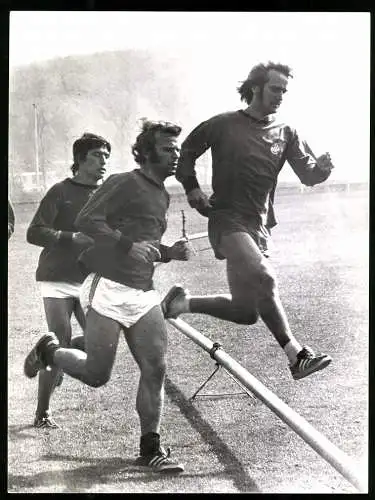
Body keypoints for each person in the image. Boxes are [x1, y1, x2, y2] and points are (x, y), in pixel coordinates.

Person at [24, 119, 190, 473]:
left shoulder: (162, 193)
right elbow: (87, 221)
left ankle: (151, 448)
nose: (175, 155)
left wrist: (168, 251)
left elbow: (142, 244)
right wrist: (129, 246)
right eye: (167, 149)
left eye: (177, 149)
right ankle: (49, 350)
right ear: (146, 153)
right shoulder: (123, 182)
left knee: (155, 367)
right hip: (109, 287)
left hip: (143, 293)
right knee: (98, 374)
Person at [162, 61, 334, 381]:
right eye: (275, 89)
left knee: (245, 311)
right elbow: (185, 152)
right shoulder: (224, 124)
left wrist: (323, 168)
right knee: (265, 278)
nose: (281, 95)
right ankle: (297, 356)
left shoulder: (287, 132)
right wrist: (192, 188)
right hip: (226, 218)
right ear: (256, 88)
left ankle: (182, 302)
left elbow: (308, 175)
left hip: (258, 226)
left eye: (284, 90)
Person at [26, 133, 111, 428]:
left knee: (98, 345)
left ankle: (48, 354)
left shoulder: (108, 194)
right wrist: (71, 237)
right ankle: (43, 413)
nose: (104, 161)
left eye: (106, 156)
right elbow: (34, 232)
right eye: (97, 155)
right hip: (58, 275)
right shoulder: (59, 191)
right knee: (60, 337)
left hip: (91, 279)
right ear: (79, 160)